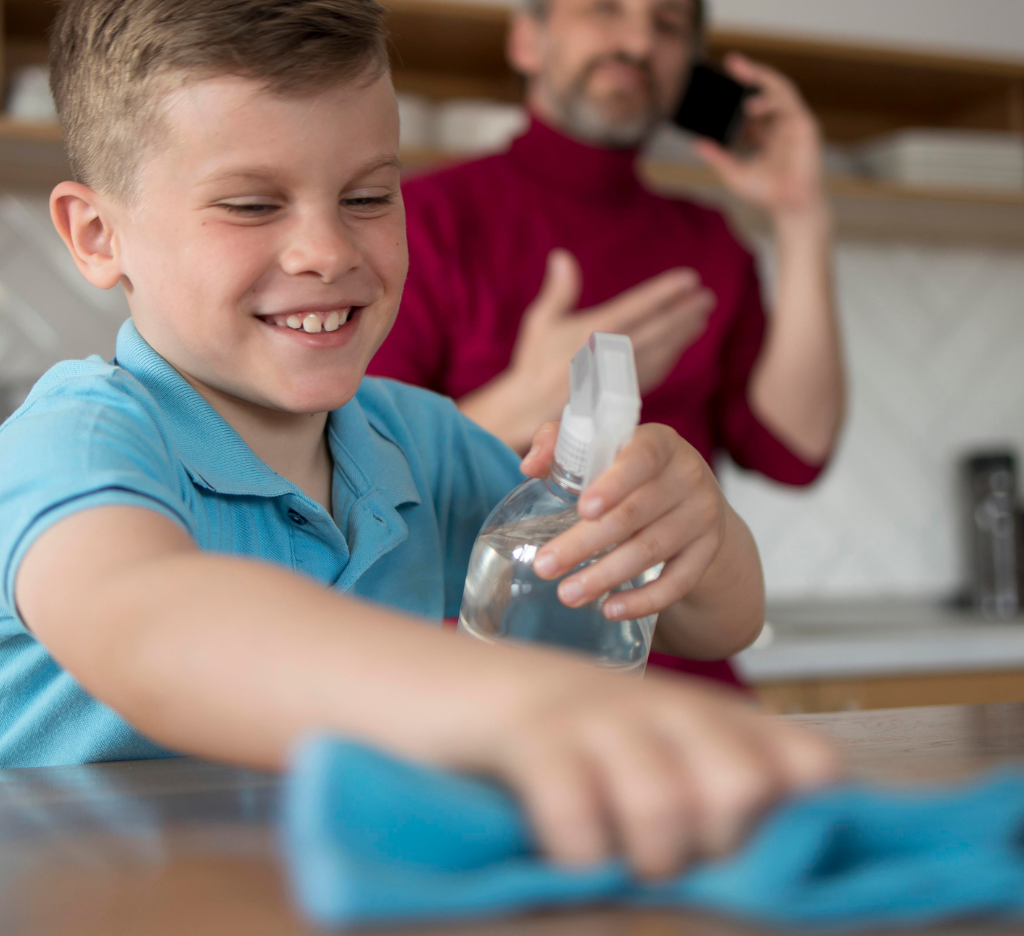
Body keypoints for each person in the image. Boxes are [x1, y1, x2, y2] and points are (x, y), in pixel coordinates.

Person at [0, 0, 836, 880]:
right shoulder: (78, 438)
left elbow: (719, 625)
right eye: (251, 205)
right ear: (98, 236)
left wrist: (690, 520)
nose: (327, 250)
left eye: (367, 197)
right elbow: (153, 630)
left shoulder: (421, 443)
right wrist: (518, 706)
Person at [369, 0, 845, 686]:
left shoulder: (710, 243)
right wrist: (526, 398)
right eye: (605, 9)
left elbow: (794, 452)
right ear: (527, 40)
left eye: (668, 25)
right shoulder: (424, 223)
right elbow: (363, 493)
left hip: (684, 686)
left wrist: (800, 214)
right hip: (487, 685)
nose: (639, 41)